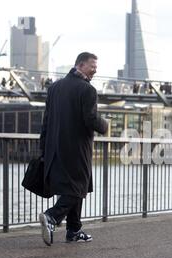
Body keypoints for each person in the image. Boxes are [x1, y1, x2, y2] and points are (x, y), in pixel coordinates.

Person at [39, 52, 109, 246]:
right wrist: (105, 125)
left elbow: (46, 122)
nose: (95, 70)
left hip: (55, 148)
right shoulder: (87, 90)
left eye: (96, 66)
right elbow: (91, 119)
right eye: (92, 66)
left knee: (73, 187)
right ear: (80, 65)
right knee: (78, 187)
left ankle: (74, 230)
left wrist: (43, 149)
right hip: (77, 148)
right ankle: (52, 217)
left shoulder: (54, 88)